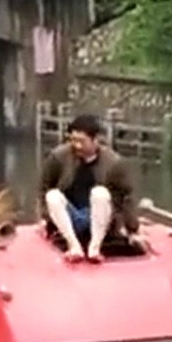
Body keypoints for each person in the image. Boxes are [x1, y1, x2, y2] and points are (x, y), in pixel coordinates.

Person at [39, 113, 144, 263]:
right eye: (73, 140)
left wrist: (132, 229)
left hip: (101, 217)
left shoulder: (114, 163)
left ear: (95, 140)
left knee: (99, 193)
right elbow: (45, 187)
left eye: (82, 141)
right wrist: (44, 217)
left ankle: (94, 247)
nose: (77, 146)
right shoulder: (58, 157)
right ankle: (73, 245)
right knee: (53, 196)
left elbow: (126, 197)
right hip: (71, 215)